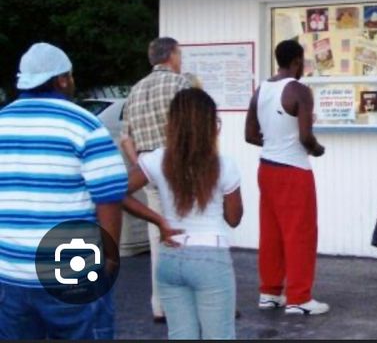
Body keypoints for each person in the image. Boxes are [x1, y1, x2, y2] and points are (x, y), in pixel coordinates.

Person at [0, 42, 128, 339]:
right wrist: (109, 258)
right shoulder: (83, 124)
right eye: (70, 76)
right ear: (61, 79)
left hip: (10, 273)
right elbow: (108, 196)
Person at [123, 88, 242, 339]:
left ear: (173, 123)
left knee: (180, 335)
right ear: (211, 125)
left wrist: (159, 220)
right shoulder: (224, 165)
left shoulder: (157, 160)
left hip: (170, 255)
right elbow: (234, 218)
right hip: (211, 257)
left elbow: (115, 192)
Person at [244, 39, 328, 315]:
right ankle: (299, 298)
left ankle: (269, 292)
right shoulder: (299, 90)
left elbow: (250, 135)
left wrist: (275, 143)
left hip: (266, 167)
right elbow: (305, 137)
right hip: (294, 170)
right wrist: (317, 150)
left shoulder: (261, 89)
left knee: (271, 233)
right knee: (300, 234)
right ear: (296, 62)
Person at [120, 37, 193, 323]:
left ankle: (160, 304)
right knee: (187, 232)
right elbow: (191, 126)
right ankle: (187, 300)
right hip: (178, 167)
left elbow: (126, 137)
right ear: (172, 55)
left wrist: (140, 163)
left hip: (148, 170)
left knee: (157, 235)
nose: (181, 60)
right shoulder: (180, 84)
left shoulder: (135, 90)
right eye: (179, 54)